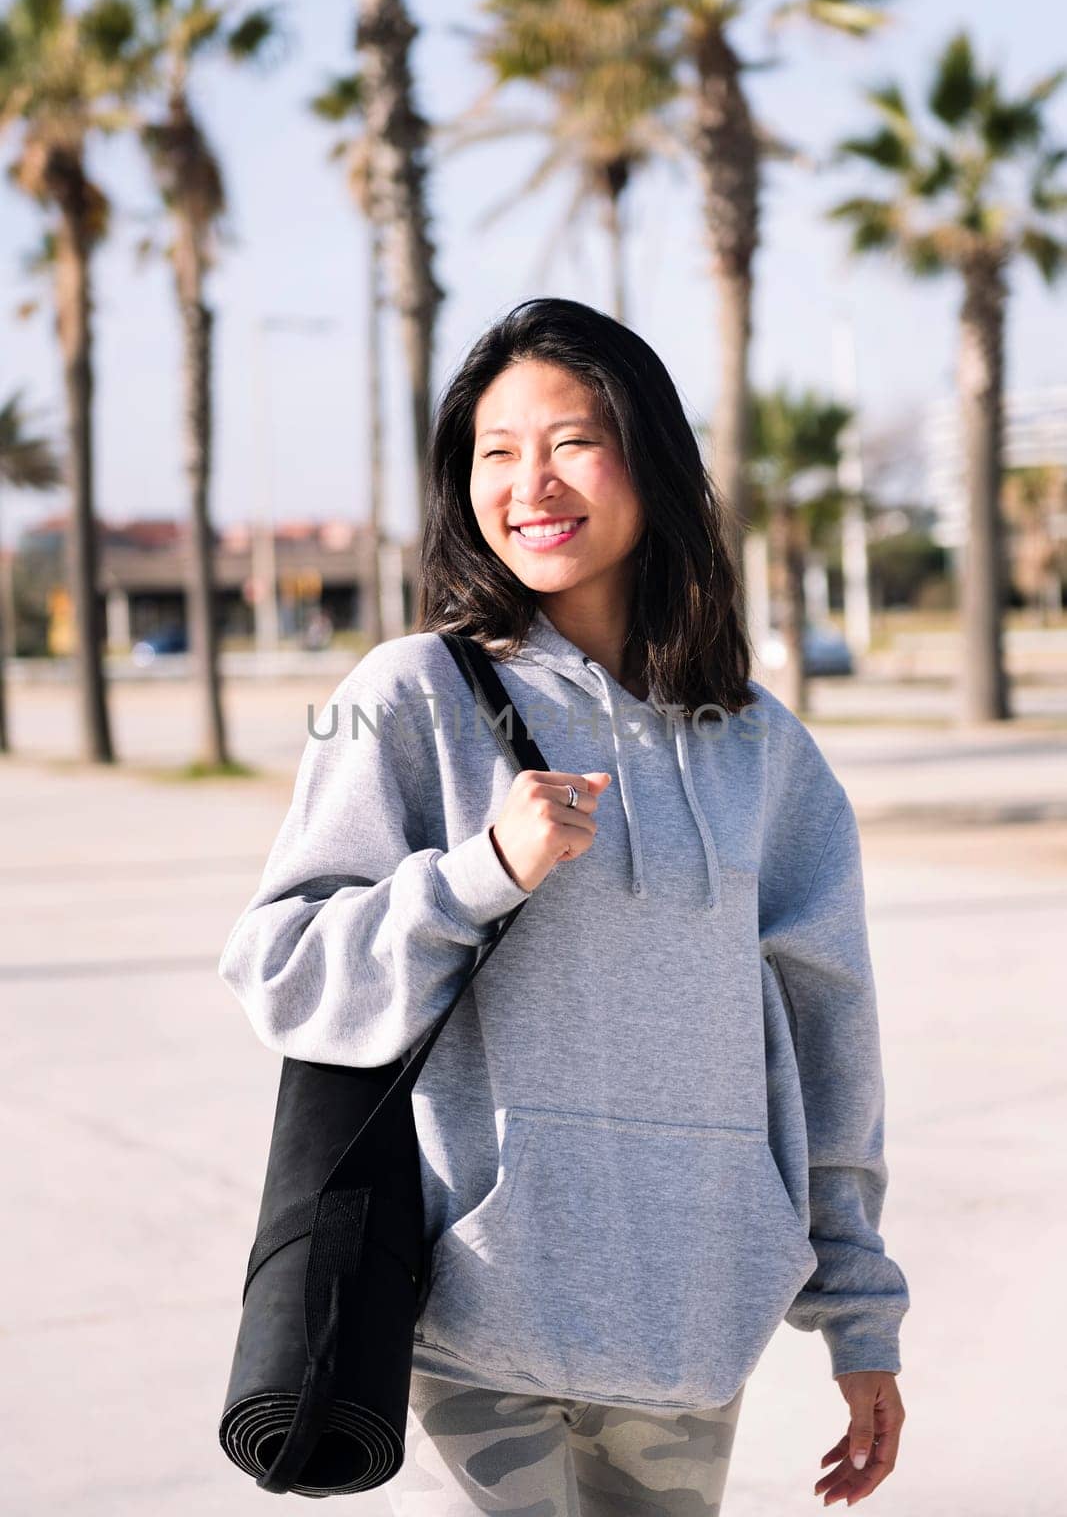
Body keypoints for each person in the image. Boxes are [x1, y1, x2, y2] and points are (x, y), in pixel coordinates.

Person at [218, 296, 909, 1514]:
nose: (528, 482)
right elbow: (280, 966)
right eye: (495, 451)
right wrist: (479, 869)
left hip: (689, 1315)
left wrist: (857, 1308)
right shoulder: (409, 695)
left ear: (650, 460)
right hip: (471, 1311)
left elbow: (824, 1026)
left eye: (571, 440)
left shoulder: (761, 747)